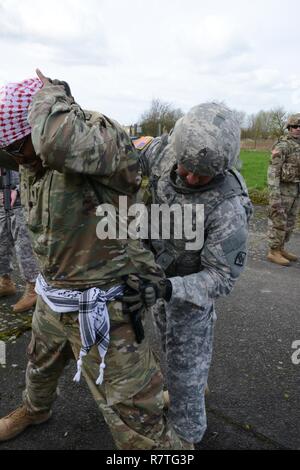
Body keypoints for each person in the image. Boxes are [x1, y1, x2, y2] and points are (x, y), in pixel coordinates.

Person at [0, 72, 188, 450]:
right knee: (38, 369)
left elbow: (55, 143)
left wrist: (51, 90)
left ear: (41, 127)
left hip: (104, 304)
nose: (16, 159)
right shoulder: (33, 159)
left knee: (138, 422)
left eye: (19, 148)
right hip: (53, 298)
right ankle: (35, 410)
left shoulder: (101, 141)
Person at [135, 103, 253, 445]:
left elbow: (221, 277)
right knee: (169, 351)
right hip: (159, 279)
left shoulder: (228, 205)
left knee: (185, 375)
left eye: (202, 176)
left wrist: (167, 288)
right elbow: (122, 153)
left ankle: (185, 437)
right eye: (186, 169)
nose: (189, 178)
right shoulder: (162, 152)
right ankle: (187, 382)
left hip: (189, 295)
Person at [0, 168, 39, 312]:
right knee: (1, 243)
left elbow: (31, 166)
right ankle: (5, 282)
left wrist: (19, 189)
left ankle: (33, 289)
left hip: (21, 201)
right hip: (2, 198)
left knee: (24, 247)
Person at [267, 114, 300, 266]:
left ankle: (281, 248)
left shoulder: (298, 145)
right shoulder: (283, 145)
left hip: (295, 190)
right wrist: (274, 196)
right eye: (294, 126)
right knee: (279, 220)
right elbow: (273, 171)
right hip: (282, 191)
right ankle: (273, 252)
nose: (298, 129)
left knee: (290, 222)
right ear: (289, 128)